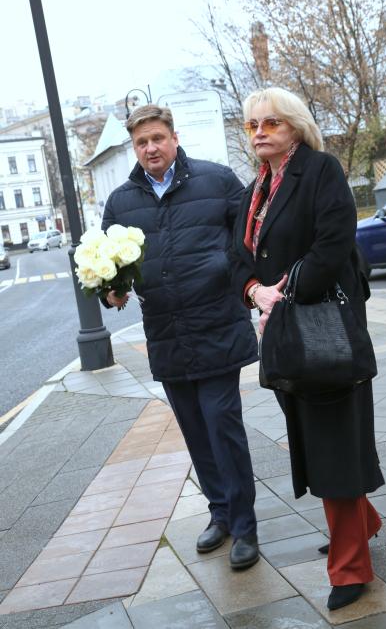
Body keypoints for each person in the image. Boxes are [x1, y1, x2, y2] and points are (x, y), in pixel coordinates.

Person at [231, 87, 385, 610]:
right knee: (315, 435)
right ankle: (362, 523)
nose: (260, 132)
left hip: (322, 329)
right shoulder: (257, 189)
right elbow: (239, 259)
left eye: (271, 123)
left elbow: (333, 243)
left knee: (334, 442)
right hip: (283, 332)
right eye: (253, 125)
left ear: (294, 126)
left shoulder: (320, 170)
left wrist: (284, 292)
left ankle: (350, 567)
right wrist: (256, 290)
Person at [101, 104, 259, 570]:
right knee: (194, 429)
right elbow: (110, 264)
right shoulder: (122, 201)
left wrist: (241, 282)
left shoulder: (216, 181)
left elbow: (247, 242)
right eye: (141, 142)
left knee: (222, 425)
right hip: (166, 331)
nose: (150, 148)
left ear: (173, 137)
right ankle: (221, 513)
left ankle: (246, 526)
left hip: (216, 324)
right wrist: (111, 292)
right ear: (135, 148)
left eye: (156, 138)